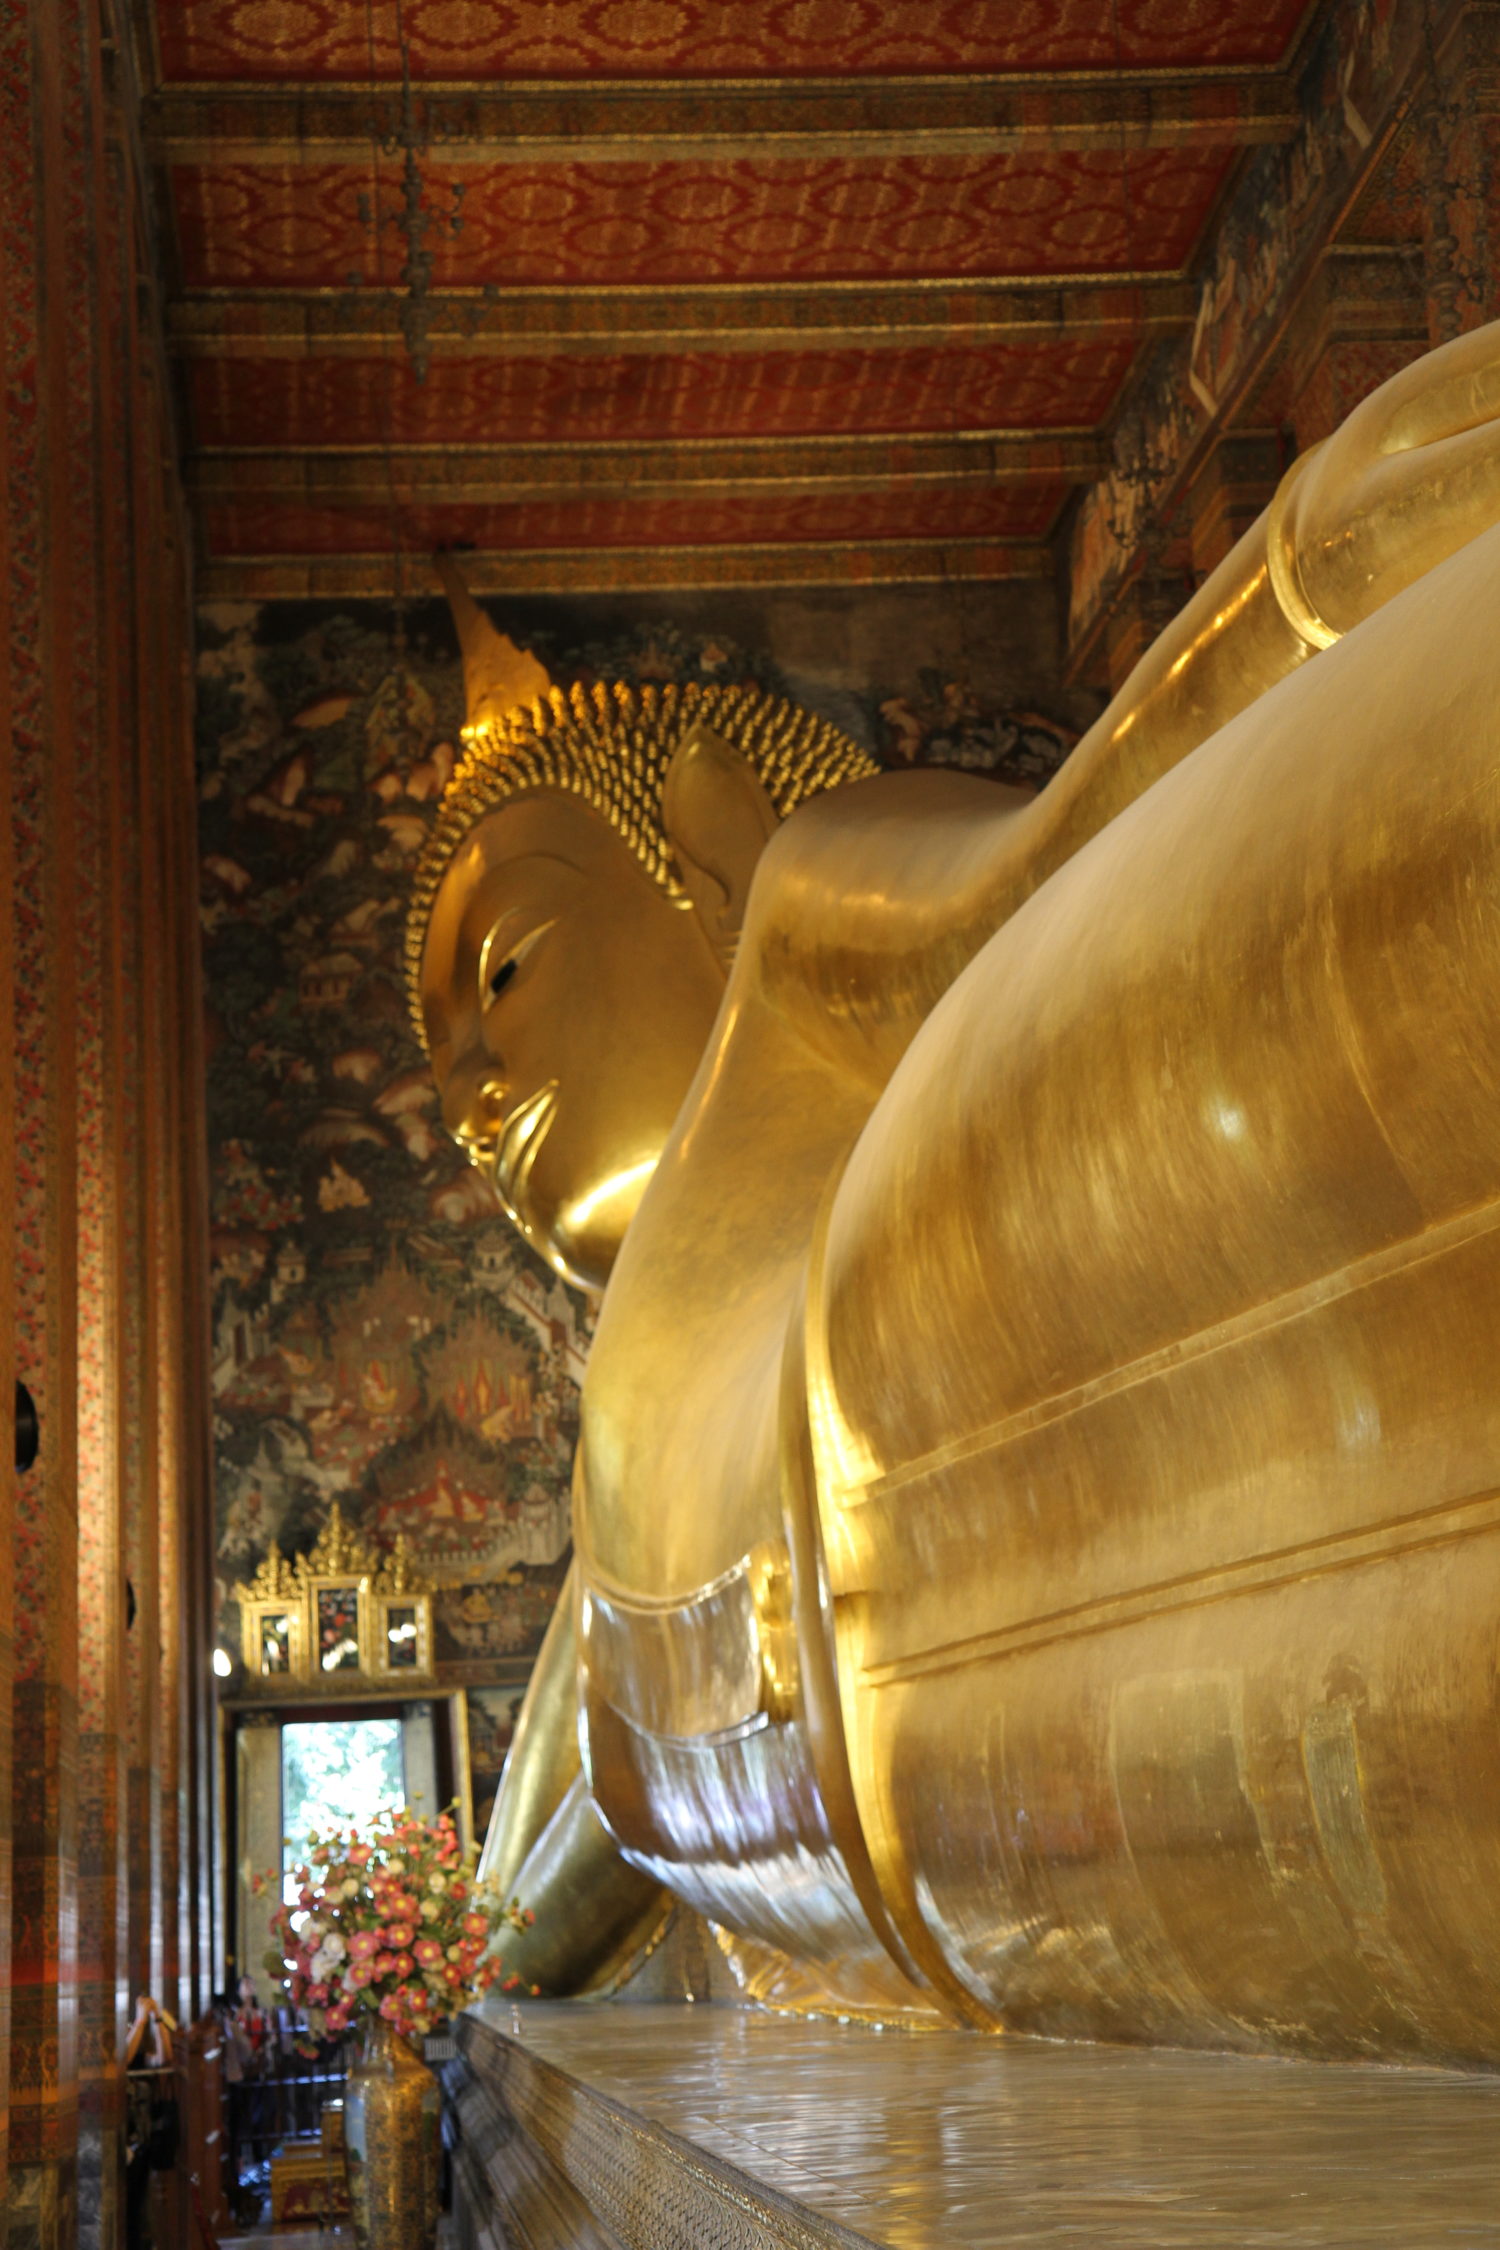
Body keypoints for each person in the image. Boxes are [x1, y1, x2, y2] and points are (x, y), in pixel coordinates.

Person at [411, 323, 1500, 2061]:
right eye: (452, 1076)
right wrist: (454, 1980)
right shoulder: (614, 1481)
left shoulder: (798, 922)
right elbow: (573, 1859)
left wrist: (1323, 564)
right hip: (965, 1789)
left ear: (699, 833)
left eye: (510, 966)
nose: (477, 1095)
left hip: (950, 1296)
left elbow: (1071, 839)